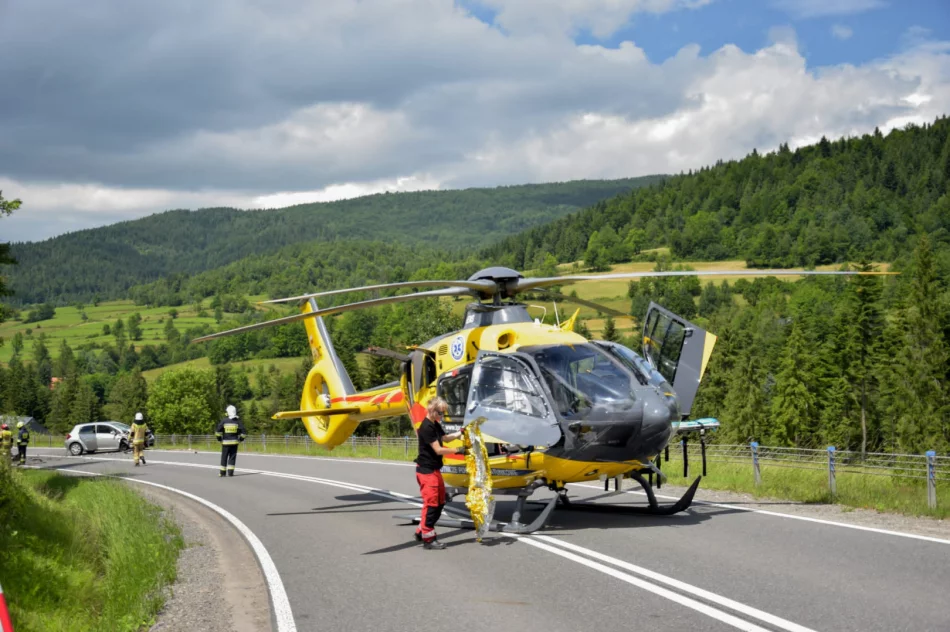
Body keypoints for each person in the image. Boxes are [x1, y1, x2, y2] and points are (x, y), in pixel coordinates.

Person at [413, 396, 466, 549]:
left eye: (443, 413)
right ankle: (428, 539)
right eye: (441, 413)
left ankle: (420, 531)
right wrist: (458, 450)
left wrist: (460, 432)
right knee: (433, 505)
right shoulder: (426, 427)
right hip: (427, 471)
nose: (442, 416)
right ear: (432, 410)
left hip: (434, 470)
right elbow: (438, 449)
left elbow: (445, 439)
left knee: (440, 502)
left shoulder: (435, 424)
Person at [215, 405, 247, 478]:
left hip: (225, 443)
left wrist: (219, 439)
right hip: (234, 443)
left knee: (224, 457)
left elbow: (218, 431)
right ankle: (230, 473)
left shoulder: (224, 421)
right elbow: (244, 433)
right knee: (232, 458)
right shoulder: (237, 422)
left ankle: (222, 473)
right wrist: (240, 440)